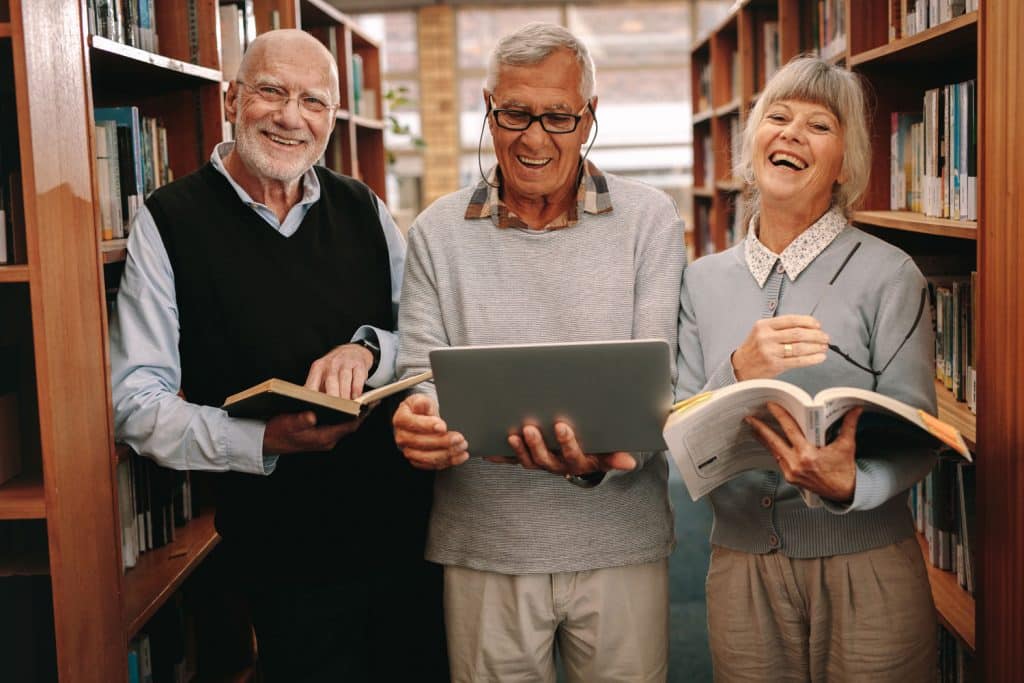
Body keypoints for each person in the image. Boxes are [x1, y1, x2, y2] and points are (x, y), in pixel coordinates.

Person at [110, 29, 446, 682]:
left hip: (406, 526)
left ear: (333, 118)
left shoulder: (364, 207)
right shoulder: (169, 220)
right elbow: (137, 401)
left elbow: (426, 338)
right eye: (271, 91)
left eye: (313, 101)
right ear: (232, 98)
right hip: (283, 551)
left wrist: (368, 347)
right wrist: (261, 438)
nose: (292, 117)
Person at [391, 22, 685, 683]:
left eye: (558, 116)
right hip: (485, 542)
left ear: (590, 119)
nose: (534, 138)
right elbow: (421, 374)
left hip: (620, 537)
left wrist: (602, 458)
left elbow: (660, 378)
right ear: (488, 110)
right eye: (515, 113)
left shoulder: (650, 222)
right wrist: (419, 420)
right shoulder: (436, 232)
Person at [676, 56, 937, 681]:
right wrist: (737, 369)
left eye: (819, 125)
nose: (791, 133)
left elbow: (921, 434)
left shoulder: (891, 274)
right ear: (752, 143)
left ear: (844, 163)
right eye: (778, 116)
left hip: (868, 565)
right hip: (740, 571)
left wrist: (851, 484)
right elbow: (680, 431)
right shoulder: (700, 280)